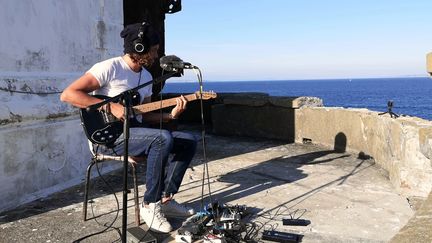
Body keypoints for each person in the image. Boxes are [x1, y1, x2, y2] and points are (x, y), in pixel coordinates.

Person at [60, 22, 197, 233]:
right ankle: (150, 205)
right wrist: (109, 105)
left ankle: (165, 199)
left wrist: (170, 115)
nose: (156, 54)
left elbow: (144, 116)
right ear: (139, 48)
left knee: (188, 141)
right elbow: (68, 94)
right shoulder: (109, 68)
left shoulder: (148, 77)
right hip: (109, 137)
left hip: (137, 134)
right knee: (162, 139)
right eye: (153, 50)